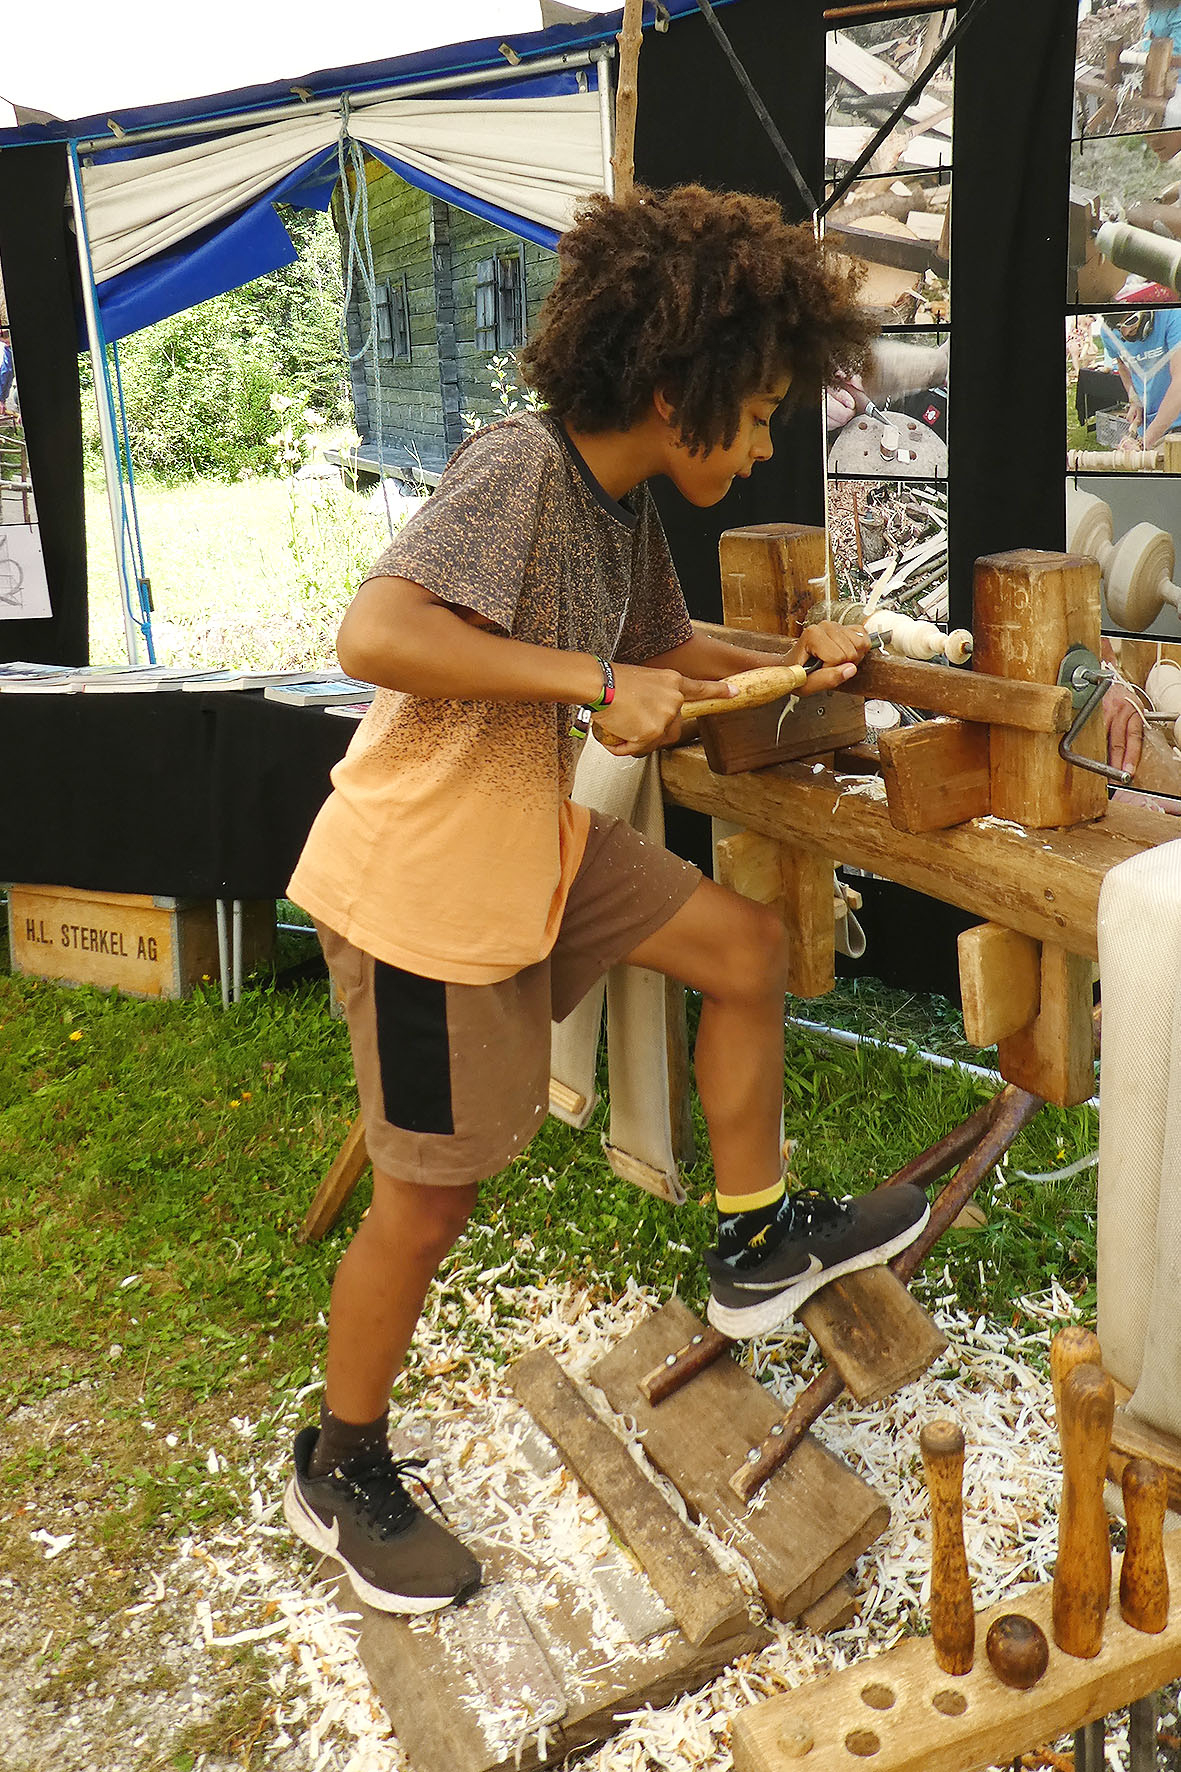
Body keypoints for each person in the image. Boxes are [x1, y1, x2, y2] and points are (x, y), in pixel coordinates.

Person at [282, 185, 930, 1616]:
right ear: (669, 390)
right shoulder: (519, 468)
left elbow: (669, 649)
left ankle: (755, 1235)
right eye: (755, 414)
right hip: (421, 883)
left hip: (530, 845)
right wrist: (590, 687)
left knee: (741, 946)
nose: (763, 444)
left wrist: (796, 655)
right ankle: (341, 1459)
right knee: (426, 1206)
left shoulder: (618, 505)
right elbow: (374, 631)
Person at [1100, 304, 1181, 453]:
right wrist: (1134, 400)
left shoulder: (1173, 314)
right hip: (1150, 426)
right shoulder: (1108, 333)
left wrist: (1145, 442)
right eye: (1118, 328)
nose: (1124, 333)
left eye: (1130, 322)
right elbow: (1122, 364)